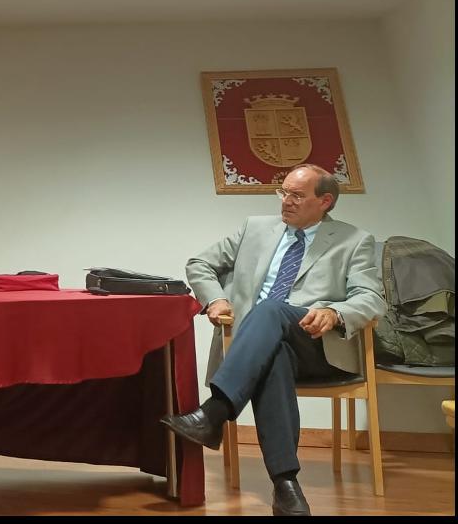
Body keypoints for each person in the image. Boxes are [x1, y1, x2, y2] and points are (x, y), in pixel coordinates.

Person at [164, 164, 385, 516]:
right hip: (261, 347)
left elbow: (371, 297)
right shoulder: (254, 228)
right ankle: (286, 486)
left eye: (297, 195)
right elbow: (200, 263)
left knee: (270, 309)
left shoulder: (354, 240)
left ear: (325, 201)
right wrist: (216, 299)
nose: (286, 201)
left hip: (316, 344)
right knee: (274, 355)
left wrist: (334, 312)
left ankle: (215, 411)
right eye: (283, 193)